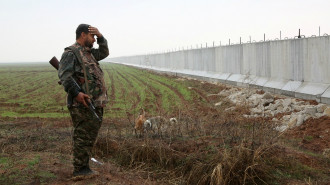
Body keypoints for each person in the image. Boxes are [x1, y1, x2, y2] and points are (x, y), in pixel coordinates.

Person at [58, 24, 109, 178]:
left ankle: (84, 166)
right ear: (82, 34)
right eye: (92, 36)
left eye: (95, 37)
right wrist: (78, 94)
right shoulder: (72, 53)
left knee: (90, 135)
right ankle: (80, 170)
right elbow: (65, 76)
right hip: (81, 103)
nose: (93, 40)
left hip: (94, 102)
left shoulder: (89, 53)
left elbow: (104, 52)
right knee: (83, 135)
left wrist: (101, 37)